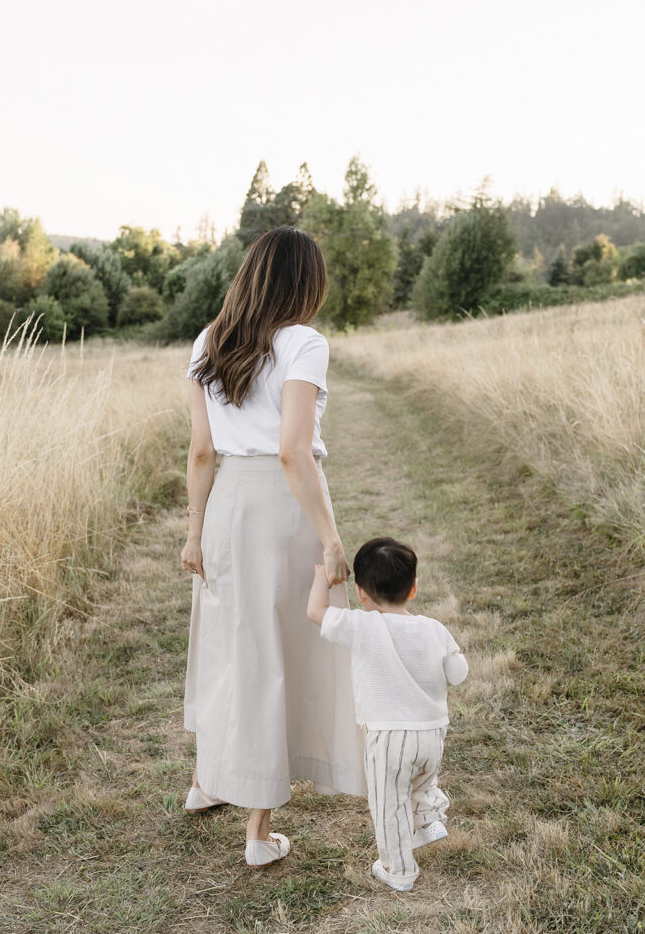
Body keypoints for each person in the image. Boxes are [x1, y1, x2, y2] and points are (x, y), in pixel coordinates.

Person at [181, 227, 366, 870]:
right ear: (303, 283)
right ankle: (258, 833)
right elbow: (293, 451)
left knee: (228, 641)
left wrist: (192, 528)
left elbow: (202, 451)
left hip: (227, 500)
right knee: (273, 649)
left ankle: (208, 781)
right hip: (279, 507)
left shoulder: (210, 339)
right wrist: (332, 537)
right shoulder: (303, 343)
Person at [307, 536, 468, 891]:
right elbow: (458, 674)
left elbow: (315, 613)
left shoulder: (362, 626)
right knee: (422, 782)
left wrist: (322, 578)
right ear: (412, 590)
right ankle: (428, 820)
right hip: (433, 734)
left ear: (361, 594)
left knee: (388, 803)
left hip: (390, 738)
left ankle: (398, 871)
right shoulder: (434, 629)